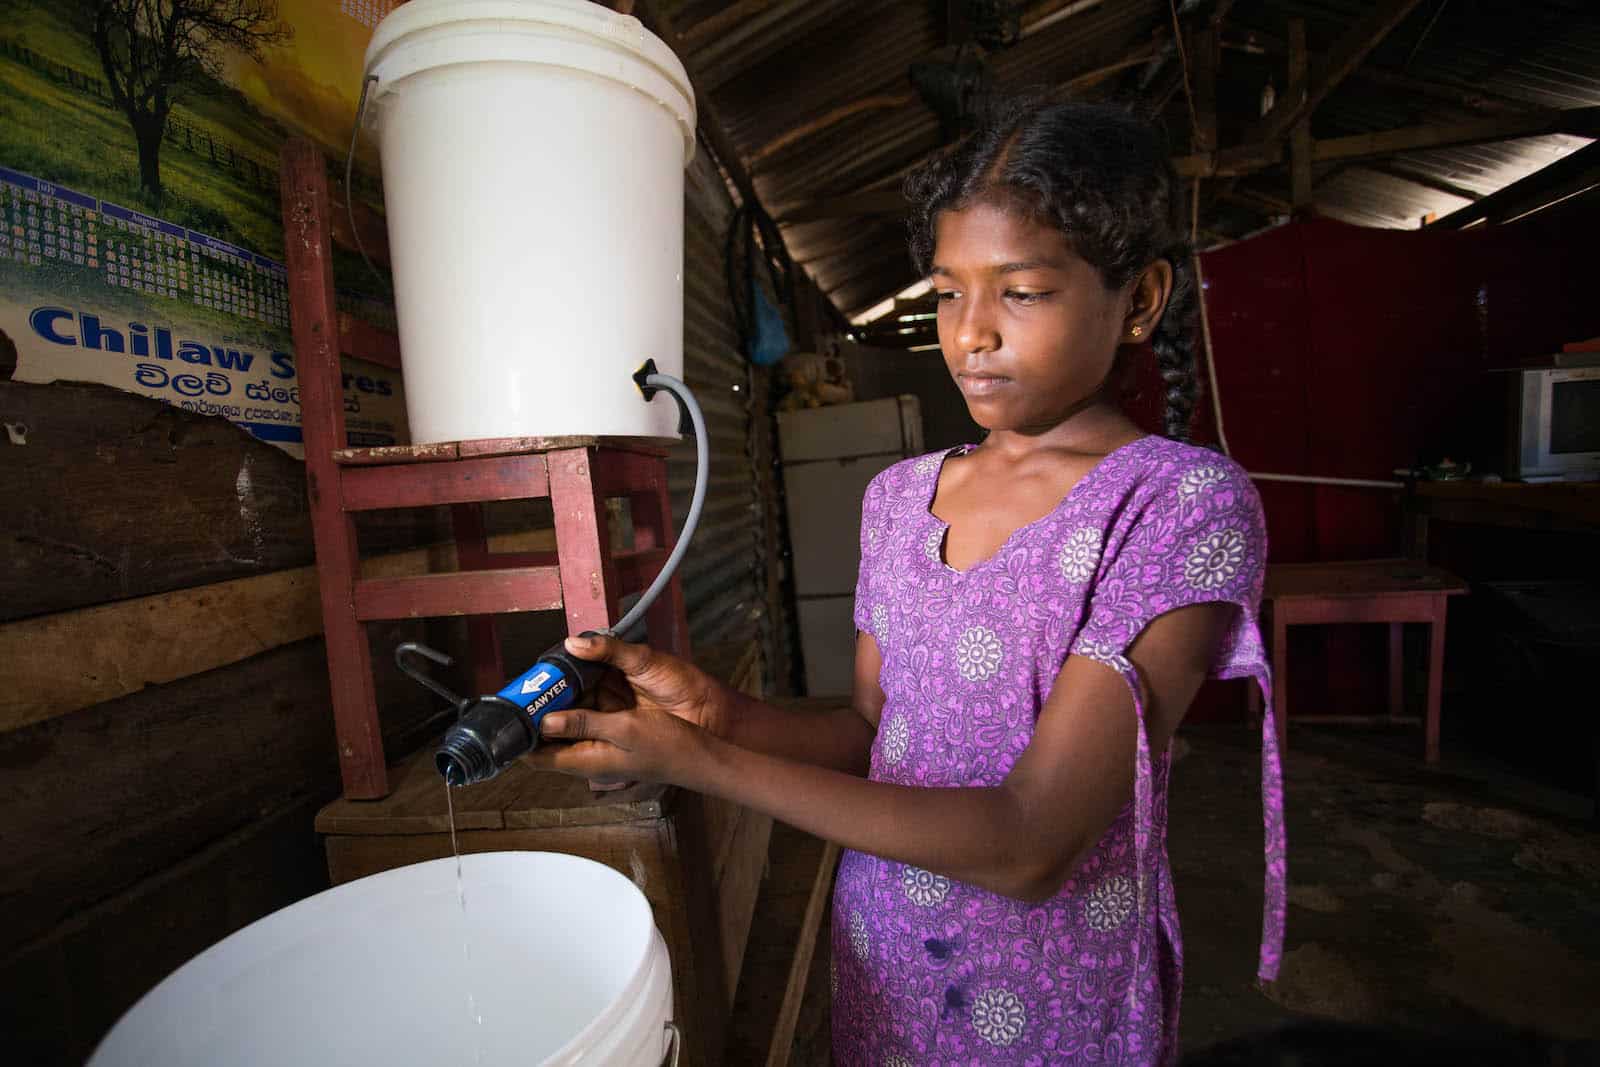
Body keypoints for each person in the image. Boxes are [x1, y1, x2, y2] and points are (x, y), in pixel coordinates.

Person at [531, 97, 1284, 1066]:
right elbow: (871, 737)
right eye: (945, 292)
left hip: (1055, 983)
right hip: (887, 953)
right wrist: (717, 714)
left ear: (1138, 298)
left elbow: (1031, 841)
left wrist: (701, 764)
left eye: (1021, 292)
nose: (970, 334)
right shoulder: (898, 496)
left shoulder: (1178, 504)